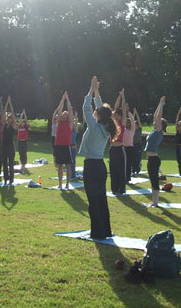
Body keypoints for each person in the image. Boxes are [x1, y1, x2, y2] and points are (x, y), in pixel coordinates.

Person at [79, 76, 118, 239]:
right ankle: (105, 231)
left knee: (93, 201)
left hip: (91, 167)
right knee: (101, 199)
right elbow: (101, 108)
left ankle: (97, 233)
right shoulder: (106, 127)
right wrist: (96, 91)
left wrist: (90, 89)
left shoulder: (94, 127)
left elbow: (85, 107)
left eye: (97, 112)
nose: (95, 112)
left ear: (99, 116)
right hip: (100, 167)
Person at [145, 96, 167, 207]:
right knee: (152, 180)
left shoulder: (159, 131)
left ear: (161, 125)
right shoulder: (155, 131)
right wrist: (159, 103)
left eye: (158, 122)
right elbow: (155, 116)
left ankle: (156, 202)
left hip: (154, 159)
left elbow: (158, 116)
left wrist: (161, 105)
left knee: (154, 180)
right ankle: (154, 201)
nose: (155, 122)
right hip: (150, 159)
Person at [54, 92, 74, 190]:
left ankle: (67, 184)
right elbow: (59, 110)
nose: (65, 113)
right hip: (58, 145)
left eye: (66, 114)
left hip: (66, 146)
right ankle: (60, 184)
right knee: (60, 166)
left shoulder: (70, 123)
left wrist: (68, 99)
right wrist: (62, 99)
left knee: (68, 165)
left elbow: (70, 110)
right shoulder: (59, 122)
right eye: (63, 113)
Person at [110, 88, 127, 195]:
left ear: (120, 116)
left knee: (121, 170)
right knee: (113, 170)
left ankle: (121, 189)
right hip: (112, 148)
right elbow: (115, 107)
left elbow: (123, 109)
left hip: (120, 148)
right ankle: (114, 189)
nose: (115, 116)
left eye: (117, 115)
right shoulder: (112, 122)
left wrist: (123, 96)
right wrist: (119, 97)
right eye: (115, 115)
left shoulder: (123, 122)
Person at [2, 96, 17, 184]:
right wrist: (6, 103)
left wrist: (10, 103)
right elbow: (3, 113)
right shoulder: (4, 125)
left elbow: (13, 114)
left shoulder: (13, 126)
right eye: (7, 119)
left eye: (10, 119)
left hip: (10, 146)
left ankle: (11, 179)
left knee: (11, 164)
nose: (8, 119)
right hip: (3, 146)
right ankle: (6, 179)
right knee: (4, 164)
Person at [123, 104, 136, 183]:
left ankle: (127, 178)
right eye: (126, 122)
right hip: (123, 148)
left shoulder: (132, 130)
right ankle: (123, 177)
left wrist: (128, 112)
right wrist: (124, 112)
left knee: (128, 164)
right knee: (123, 163)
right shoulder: (123, 129)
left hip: (130, 148)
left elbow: (132, 120)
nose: (127, 123)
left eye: (129, 122)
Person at [131, 108, 143, 175]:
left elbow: (138, 121)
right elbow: (131, 121)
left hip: (138, 145)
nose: (134, 126)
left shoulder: (139, 129)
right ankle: (133, 169)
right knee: (132, 158)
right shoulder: (132, 130)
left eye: (136, 125)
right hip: (132, 145)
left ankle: (137, 169)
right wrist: (133, 114)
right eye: (134, 125)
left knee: (137, 158)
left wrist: (136, 114)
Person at [175, 107, 181, 176]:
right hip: (177, 147)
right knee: (179, 160)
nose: (179, 125)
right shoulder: (177, 131)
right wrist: (178, 113)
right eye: (179, 124)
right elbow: (176, 120)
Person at [70, 111, 78, 179]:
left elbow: (75, 124)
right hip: (68, 146)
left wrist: (75, 117)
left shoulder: (75, 131)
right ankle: (70, 174)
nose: (74, 126)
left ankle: (73, 175)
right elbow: (72, 123)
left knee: (73, 161)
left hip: (73, 146)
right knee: (69, 162)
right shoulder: (69, 130)